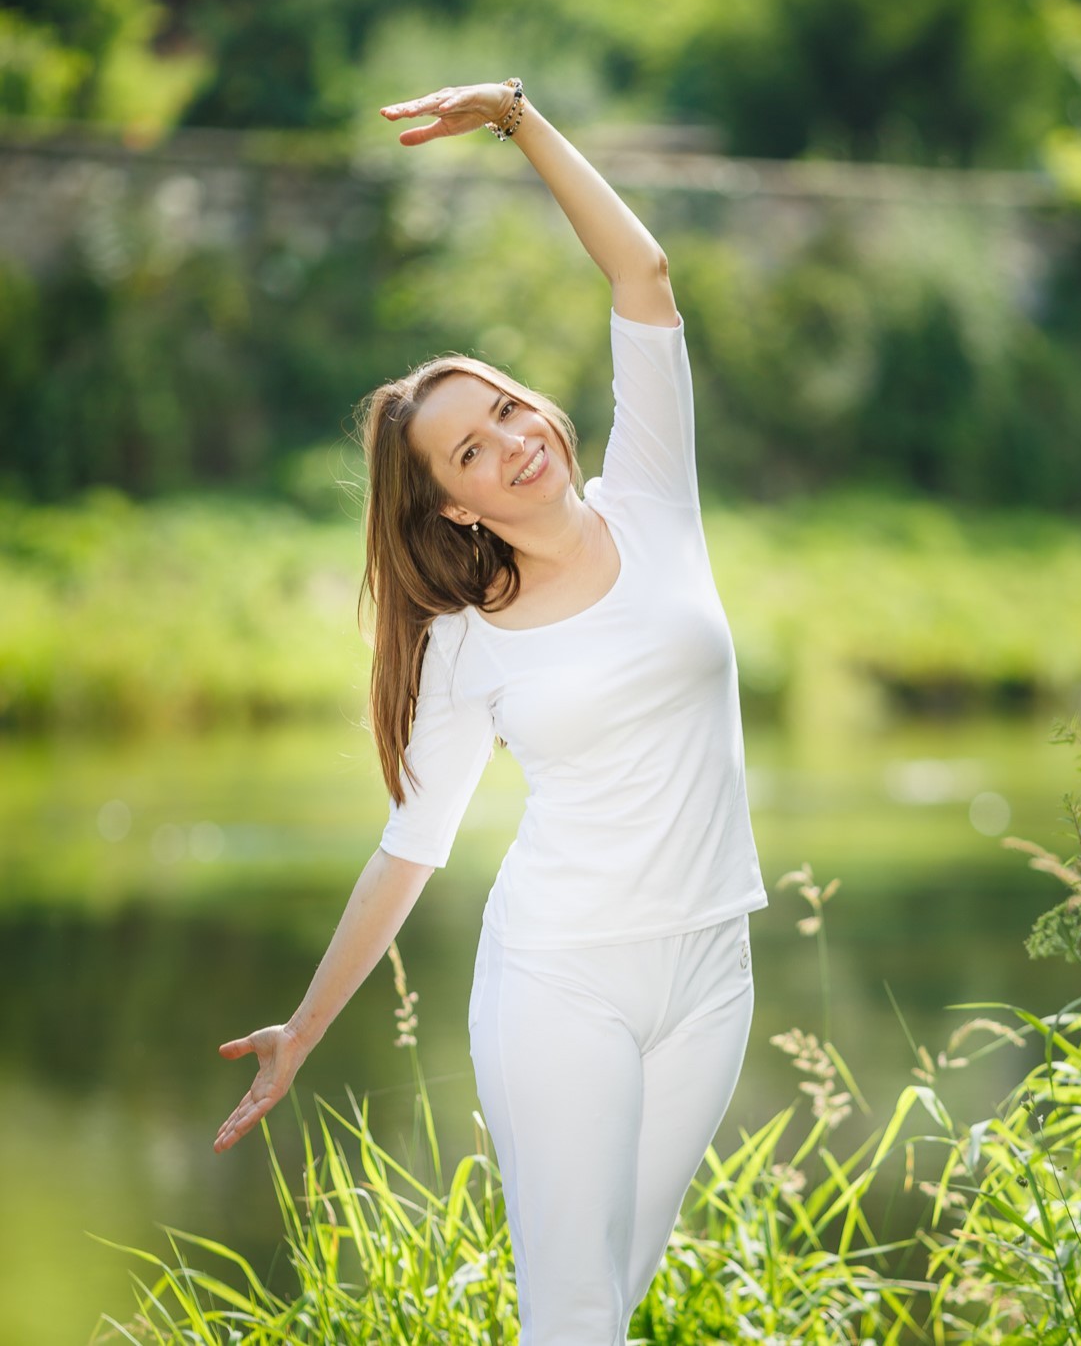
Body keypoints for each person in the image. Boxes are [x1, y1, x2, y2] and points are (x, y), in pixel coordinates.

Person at [212, 77, 769, 1344]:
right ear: (453, 508)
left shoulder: (654, 497)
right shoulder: (466, 650)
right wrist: (304, 1030)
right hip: (561, 979)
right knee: (573, 1315)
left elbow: (647, 277)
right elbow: (412, 849)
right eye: (471, 451)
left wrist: (519, 119)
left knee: (609, 1303)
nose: (513, 442)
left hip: (713, 970)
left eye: (508, 407)